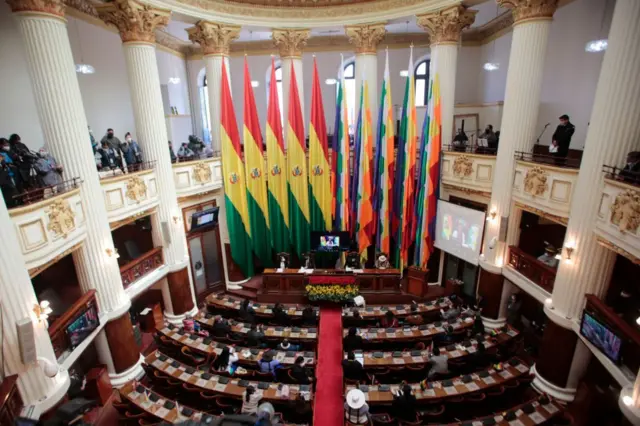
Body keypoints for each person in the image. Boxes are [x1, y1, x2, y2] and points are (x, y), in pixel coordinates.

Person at [0, 139, 19, 207]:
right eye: (5, 144)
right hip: (3, 179)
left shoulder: (2, 155)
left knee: (14, 192)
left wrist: (7, 165)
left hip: (9, 175)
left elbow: (8, 163)